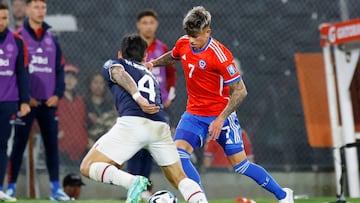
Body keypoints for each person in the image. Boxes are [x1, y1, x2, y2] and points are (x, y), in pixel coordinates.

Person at [145, 6, 294, 203]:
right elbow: (174, 55)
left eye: (196, 37)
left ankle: (284, 196)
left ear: (208, 32)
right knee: (179, 153)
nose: (191, 41)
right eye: (188, 36)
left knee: (240, 165)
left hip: (220, 115)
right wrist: (153, 64)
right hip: (193, 114)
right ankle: (199, 200)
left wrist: (221, 119)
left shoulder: (220, 55)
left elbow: (241, 91)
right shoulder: (184, 42)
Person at [79, 33, 208, 203]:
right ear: (145, 56)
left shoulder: (116, 63)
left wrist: (137, 97)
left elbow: (119, 73)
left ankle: (133, 181)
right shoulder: (151, 75)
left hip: (133, 123)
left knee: (87, 167)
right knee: (180, 178)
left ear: (120, 54)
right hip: (160, 127)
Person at [6, 0, 71, 201]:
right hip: (26, 104)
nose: (40, 11)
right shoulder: (18, 38)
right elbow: (16, 71)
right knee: (18, 145)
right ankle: (10, 188)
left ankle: (55, 189)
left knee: (52, 146)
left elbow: (60, 69)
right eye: (35, 7)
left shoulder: (52, 38)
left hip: (48, 104)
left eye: (43, 7)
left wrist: (57, 94)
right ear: (26, 10)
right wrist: (24, 98)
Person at [127, 8, 177, 200]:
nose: (148, 26)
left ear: (156, 25)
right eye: (144, 22)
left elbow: (171, 73)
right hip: (136, 107)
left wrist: (170, 94)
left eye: (151, 22)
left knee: (151, 148)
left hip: (157, 108)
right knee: (134, 147)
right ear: (138, 25)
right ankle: (133, 186)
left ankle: (145, 189)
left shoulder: (162, 48)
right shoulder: (131, 48)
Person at [0, 2, 30, 201]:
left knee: (2, 145)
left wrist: (24, 101)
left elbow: (22, 73)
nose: (1, 22)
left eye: (4, 18)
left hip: (8, 102)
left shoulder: (17, 41)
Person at [58, 64, 88, 167]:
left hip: (80, 146)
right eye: (66, 76)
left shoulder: (80, 101)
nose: (69, 80)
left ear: (76, 82)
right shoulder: (55, 99)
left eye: (72, 77)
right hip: (62, 146)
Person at [85, 72, 117, 148]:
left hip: (106, 138)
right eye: (95, 82)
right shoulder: (85, 103)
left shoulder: (109, 105)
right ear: (90, 84)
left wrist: (98, 121)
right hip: (90, 138)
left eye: (101, 83)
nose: (98, 86)